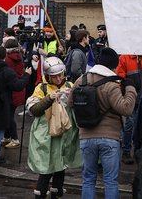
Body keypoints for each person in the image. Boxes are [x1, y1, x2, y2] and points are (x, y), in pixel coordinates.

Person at [73, 48, 137, 199]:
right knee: (110, 181)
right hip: (109, 138)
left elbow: (70, 103)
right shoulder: (112, 85)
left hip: (86, 138)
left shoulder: (81, 80)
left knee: (88, 179)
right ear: (113, 66)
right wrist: (130, 88)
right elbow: (126, 108)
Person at [26, 57, 82, 199]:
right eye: (54, 76)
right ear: (47, 76)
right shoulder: (41, 88)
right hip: (46, 134)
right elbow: (34, 110)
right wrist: (49, 99)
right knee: (46, 166)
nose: (58, 78)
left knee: (61, 165)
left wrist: (74, 97)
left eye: (61, 74)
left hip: (64, 133)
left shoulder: (70, 85)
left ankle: (57, 193)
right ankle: (40, 193)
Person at [2, 37, 26, 149]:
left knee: (9, 115)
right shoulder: (19, 57)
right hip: (18, 90)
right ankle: (7, 136)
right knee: (9, 114)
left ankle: (15, 139)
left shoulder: (7, 60)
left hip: (11, 91)